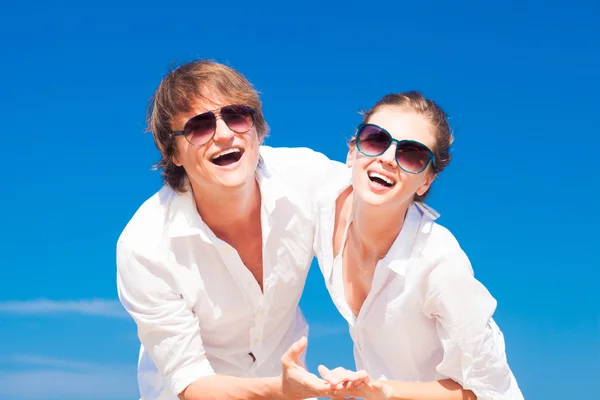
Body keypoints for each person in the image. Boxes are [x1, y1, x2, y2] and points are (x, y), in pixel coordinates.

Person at [116, 59, 345, 400]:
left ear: (256, 128)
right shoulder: (145, 246)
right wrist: (281, 390)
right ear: (173, 152)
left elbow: (381, 210)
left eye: (236, 115)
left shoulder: (308, 178)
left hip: (290, 386)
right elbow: (191, 382)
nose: (224, 134)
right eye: (199, 126)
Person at [311, 91, 524, 399]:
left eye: (411, 155)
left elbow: (488, 391)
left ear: (426, 182)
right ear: (352, 151)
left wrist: (383, 391)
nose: (387, 158)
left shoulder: (439, 264)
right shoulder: (319, 202)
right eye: (375, 140)